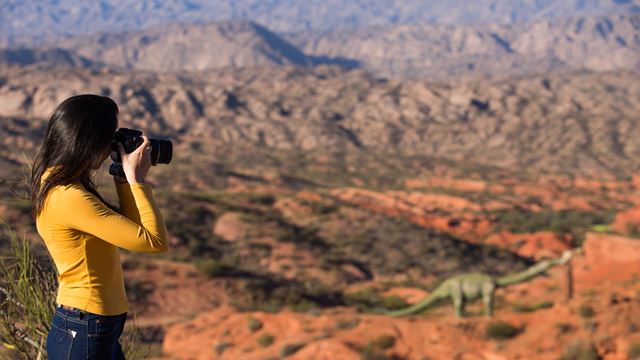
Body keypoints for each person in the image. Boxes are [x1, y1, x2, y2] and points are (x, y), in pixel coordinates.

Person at [29, 94, 169, 359]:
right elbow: (154, 241)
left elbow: (132, 227)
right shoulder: (69, 196)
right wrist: (137, 180)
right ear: (91, 142)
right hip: (84, 327)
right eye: (109, 138)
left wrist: (122, 179)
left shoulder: (59, 183)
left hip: (92, 325)